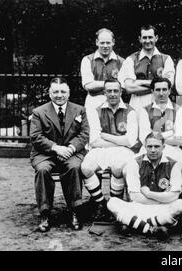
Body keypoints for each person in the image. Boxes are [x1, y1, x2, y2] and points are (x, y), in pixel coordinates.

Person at [30, 77, 89, 232]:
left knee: (74, 167)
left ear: (68, 93)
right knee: (43, 170)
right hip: (45, 154)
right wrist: (56, 148)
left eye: (63, 91)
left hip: (71, 152)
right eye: (55, 91)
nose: (59, 95)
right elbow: (36, 136)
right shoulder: (39, 112)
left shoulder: (79, 110)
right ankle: (45, 213)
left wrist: (70, 149)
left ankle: (74, 210)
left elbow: (84, 134)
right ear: (49, 94)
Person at [107, 132, 182, 240]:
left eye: (157, 146)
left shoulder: (173, 164)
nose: (153, 150)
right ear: (145, 147)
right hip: (139, 208)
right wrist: (163, 199)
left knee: (181, 205)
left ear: (163, 147)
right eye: (150, 146)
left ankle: (136, 225)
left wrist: (149, 194)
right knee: (112, 202)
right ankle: (151, 229)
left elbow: (174, 196)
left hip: (162, 209)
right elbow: (135, 196)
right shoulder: (135, 163)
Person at [81, 79, 140, 220]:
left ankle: (116, 204)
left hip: (123, 150)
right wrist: (120, 141)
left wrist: (105, 135)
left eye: (116, 91)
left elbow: (130, 141)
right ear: (104, 92)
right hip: (101, 149)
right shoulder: (96, 111)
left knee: (118, 167)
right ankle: (101, 204)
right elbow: (94, 141)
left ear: (121, 92)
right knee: (86, 168)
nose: (112, 94)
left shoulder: (131, 112)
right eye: (109, 91)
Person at [140, 77, 182, 176]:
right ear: (152, 91)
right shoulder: (145, 111)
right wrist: (171, 133)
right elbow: (144, 139)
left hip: (173, 150)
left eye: (164, 89)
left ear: (169, 91)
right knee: (135, 168)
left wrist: (156, 136)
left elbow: (180, 140)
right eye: (158, 90)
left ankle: (175, 190)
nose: (161, 93)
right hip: (150, 150)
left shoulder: (178, 110)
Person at [118, 25, 175, 109]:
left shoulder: (166, 59)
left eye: (150, 37)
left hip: (161, 104)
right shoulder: (130, 60)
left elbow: (169, 84)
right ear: (140, 39)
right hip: (137, 105)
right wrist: (157, 85)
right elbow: (129, 88)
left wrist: (139, 82)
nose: (147, 41)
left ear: (156, 38)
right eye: (144, 37)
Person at [80, 28, 124, 111]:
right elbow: (88, 85)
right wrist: (112, 83)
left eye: (108, 43)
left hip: (115, 102)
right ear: (97, 42)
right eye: (102, 43)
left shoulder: (121, 62)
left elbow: (124, 86)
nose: (105, 46)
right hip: (93, 102)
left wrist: (97, 84)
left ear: (113, 42)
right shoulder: (87, 60)